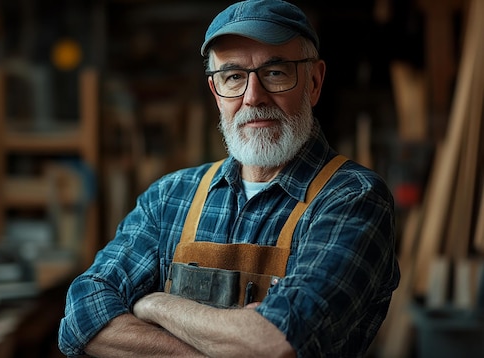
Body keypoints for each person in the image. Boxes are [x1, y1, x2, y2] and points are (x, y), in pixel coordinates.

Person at [58, 0, 400, 357]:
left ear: (313, 82)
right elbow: (82, 319)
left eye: (276, 72)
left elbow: (278, 342)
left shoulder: (353, 198)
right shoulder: (169, 197)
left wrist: (156, 306)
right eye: (234, 77)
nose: (253, 97)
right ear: (216, 93)